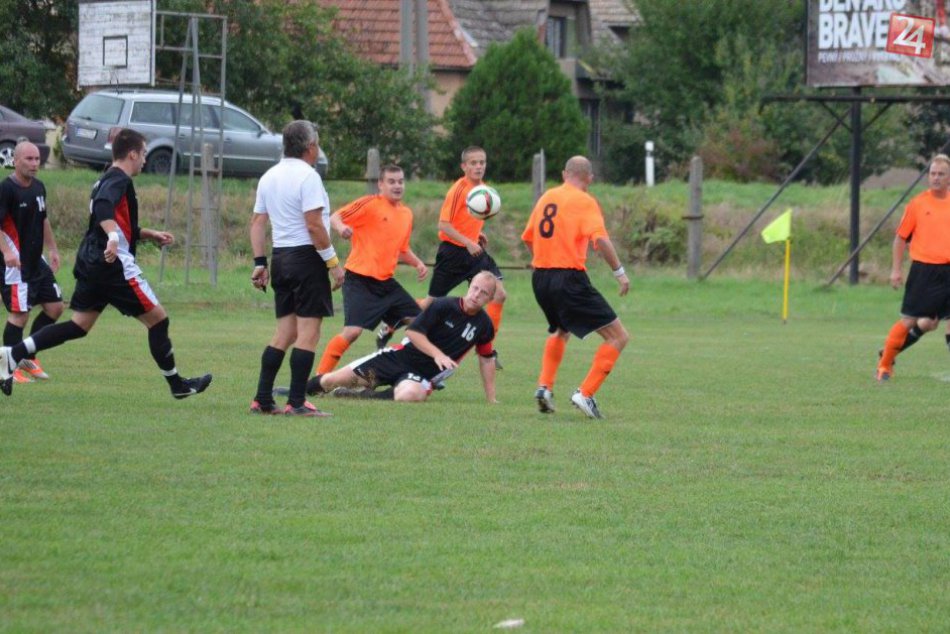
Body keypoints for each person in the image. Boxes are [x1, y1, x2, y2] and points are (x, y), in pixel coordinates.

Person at [0, 129, 212, 398]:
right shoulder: (118, 181)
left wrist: (147, 234)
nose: (145, 160)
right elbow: (103, 209)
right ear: (132, 154)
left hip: (92, 262)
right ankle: (178, 386)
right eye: (144, 153)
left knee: (79, 325)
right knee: (158, 320)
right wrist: (113, 236)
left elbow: (113, 222)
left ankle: (12, 354)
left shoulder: (105, 179)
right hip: (112, 266)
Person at [521, 155, 630, 419]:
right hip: (568, 278)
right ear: (589, 179)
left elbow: (528, 237)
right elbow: (601, 241)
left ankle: (544, 388)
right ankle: (586, 393)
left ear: (564, 173)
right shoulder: (585, 201)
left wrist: (542, 261)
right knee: (618, 337)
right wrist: (620, 272)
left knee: (561, 330)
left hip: (541, 279)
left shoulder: (547, 196)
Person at [376, 147, 505, 366]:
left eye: (482, 162)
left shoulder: (483, 190)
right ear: (464, 166)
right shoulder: (458, 189)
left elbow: (467, 220)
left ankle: (487, 350)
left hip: (475, 254)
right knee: (430, 303)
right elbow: (443, 225)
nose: (478, 166)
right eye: (473, 163)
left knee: (499, 294)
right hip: (453, 254)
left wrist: (476, 234)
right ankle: (393, 320)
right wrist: (467, 241)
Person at [249, 119, 344, 416]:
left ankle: (263, 400)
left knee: (285, 332)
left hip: (282, 258)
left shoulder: (269, 176)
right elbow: (314, 225)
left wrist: (260, 263)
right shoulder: (308, 176)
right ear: (311, 146)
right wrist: (333, 264)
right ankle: (298, 402)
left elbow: (257, 223)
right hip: (307, 260)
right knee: (308, 334)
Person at [307, 271, 498, 403]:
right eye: (475, 288)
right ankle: (298, 390)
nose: (476, 295)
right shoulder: (443, 305)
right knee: (331, 381)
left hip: (421, 375)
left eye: (483, 293)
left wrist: (491, 398)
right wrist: (438, 354)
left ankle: (365, 395)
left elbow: (487, 360)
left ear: (489, 299)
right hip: (396, 359)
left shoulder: (484, 325)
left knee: (409, 395)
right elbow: (412, 332)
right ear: (469, 286)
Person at [313, 164, 427, 374]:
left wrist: (417, 263)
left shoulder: (406, 214)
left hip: (386, 283)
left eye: (400, 181)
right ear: (380, 184)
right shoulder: (370, 204)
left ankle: (419, 373)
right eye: (391, 181)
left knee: (421, 324)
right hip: (359, 280)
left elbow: (401, 249)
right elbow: (335, 217)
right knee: (353, 332)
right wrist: (341, 228)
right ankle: (320, 378)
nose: (397, 185)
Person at [876, 153, 950, 382]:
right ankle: (885, 365)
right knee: (912, 321)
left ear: (949, 178)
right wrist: (896, 270)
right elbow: (900, 239)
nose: (936, 178)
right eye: (933, 173)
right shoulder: (918, 204)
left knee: (938, 323)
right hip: (924, 271)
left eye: (941, 174)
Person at [0, 140, 64, 384]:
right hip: (15, 264)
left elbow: (43, 219)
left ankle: (27, 356)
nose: (35, 164)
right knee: (19, 315)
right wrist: (6, 252)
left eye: (37, 159)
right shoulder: (6, 189)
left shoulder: (38, 187)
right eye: (29, 159)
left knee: (55, 307)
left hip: (37, 261)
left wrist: (53, 249)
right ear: (15, 161)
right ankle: (8, 366)